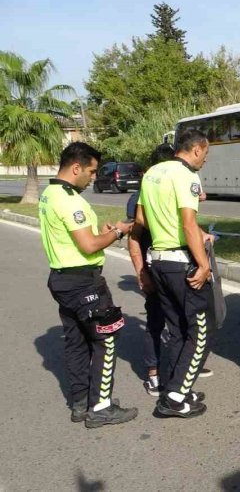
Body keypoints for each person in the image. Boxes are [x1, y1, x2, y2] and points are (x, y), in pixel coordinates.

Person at [39, 142, 138, 428]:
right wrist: (118, 231)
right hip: (84, 283)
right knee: (106, 339)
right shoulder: (69, 200)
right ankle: (102, 407)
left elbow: (75, 236)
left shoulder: (50, 193)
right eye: (91, 172)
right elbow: (89, 245)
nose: (93, 178)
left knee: (76, 342)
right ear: (76, 168)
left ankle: (80, 403)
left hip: (62, 279)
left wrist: (100, 232)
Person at [131, 130, 214, 418]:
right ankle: (176, 397)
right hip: (180, 262)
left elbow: (140, 219)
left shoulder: (152, 173)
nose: (205, 160)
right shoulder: (187, 175)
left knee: (177, 329)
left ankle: (175, 385)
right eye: (205, 154)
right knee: (200, 331)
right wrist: (203, 265)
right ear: (196, 149)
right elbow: (189, 224)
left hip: (157, 261)